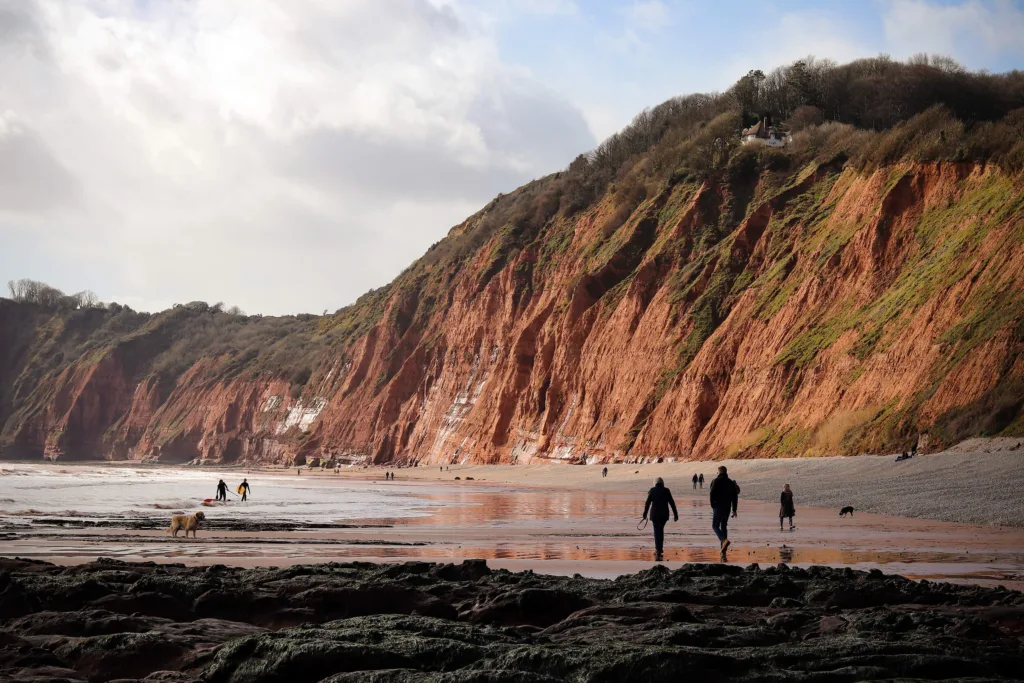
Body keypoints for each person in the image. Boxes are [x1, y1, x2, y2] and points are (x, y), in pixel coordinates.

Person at [641, 477, 678, 561]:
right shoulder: (666, 490)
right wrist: (675, 514)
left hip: (655, 515)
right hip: (664, 515)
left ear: (655, 483)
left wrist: (645, 514)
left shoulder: (652, 490)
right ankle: (659, 548)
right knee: (660, 530)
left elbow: (647, 503)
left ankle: (658, 549)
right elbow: (672, 503)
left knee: (657, 531)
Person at [709, 466, 739, 559]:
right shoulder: (730, 482)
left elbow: (712, 493)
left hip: (718, 506)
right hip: (727, 507)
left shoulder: (716, 481)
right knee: (723, 526)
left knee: (715, 526)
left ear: (718, 472)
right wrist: (734, 510)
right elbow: (735, 497)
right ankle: (723, 550)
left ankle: (724, 540)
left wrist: (712, 505)